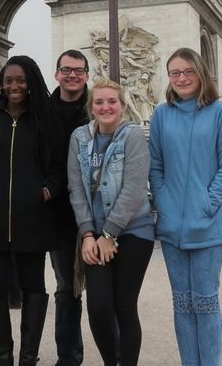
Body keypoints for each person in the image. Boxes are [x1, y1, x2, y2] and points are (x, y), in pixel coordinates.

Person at [0, 55, 63, 366]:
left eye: (20, 80)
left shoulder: (45, 118)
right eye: (8, 80)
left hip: (33, 219)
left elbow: (58, 166)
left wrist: (45, 191)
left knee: (34, 287)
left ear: (31, 81)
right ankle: (4, 358)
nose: (14, 86)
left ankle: (27, 358)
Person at [149, 48, 222, 366]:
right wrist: (163, 202)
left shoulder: (221, 113)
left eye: (188, 71)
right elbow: (156, 165)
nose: (182, 78)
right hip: (173, 225)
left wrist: (207, 204)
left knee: (205, 303)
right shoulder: (161, 114)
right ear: (169, 77)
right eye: (175, 73)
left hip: (208, 225)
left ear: (201, 73)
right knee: (182, 304)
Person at [68, 79, 155, 366]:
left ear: (122, 105)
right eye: (99, 102)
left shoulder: (132, 136)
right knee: (98, 307)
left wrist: (109, 234)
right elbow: (76, 190)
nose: (105, 107)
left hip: (133, 229)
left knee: (124, 305)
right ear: (90, 106)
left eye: (112, 101)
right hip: (95, 234)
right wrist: (89, 234)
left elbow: (134, 188)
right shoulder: (79, 138)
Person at [49, 49, 90, 366]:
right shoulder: (41, 112)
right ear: (57, 74)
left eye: (78, 70)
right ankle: (69, 357)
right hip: (58, 216)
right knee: (67, 288)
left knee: (107, 294)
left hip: (96, 214)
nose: (72, 75)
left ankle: (115, 356)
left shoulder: (101, 106)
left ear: (87, 74)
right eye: (66, 70)